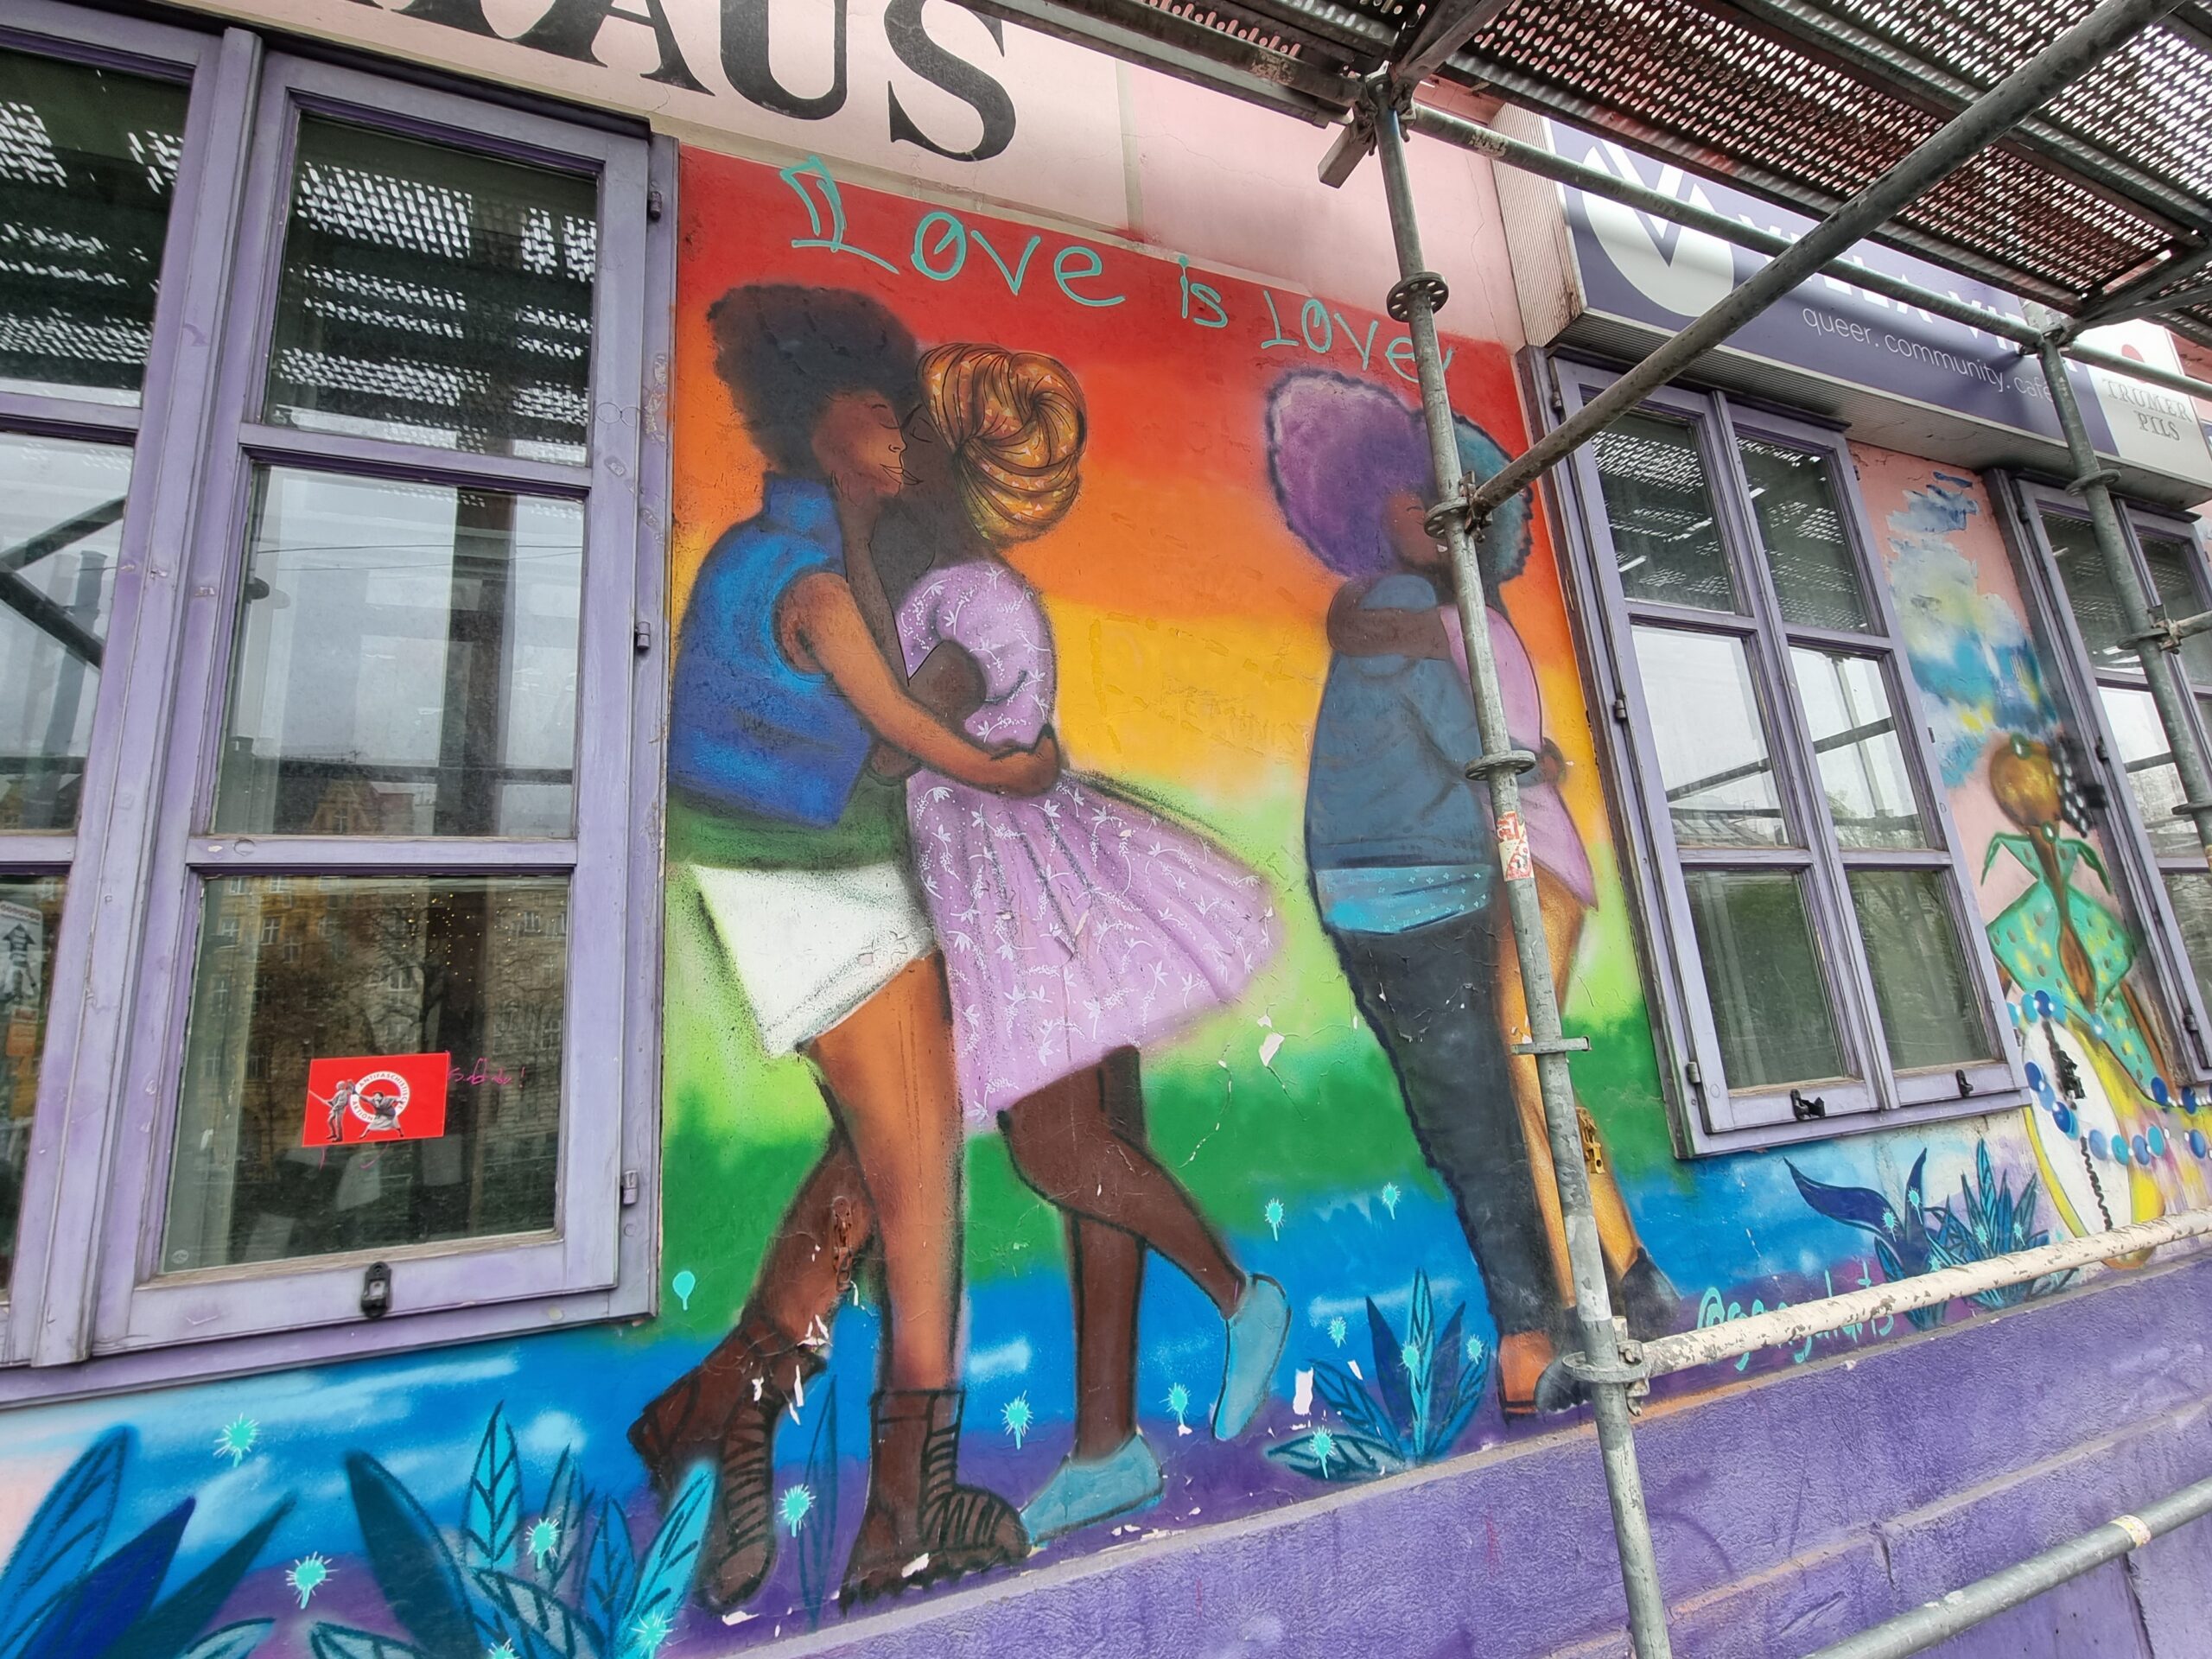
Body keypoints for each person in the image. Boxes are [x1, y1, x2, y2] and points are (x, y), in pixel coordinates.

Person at [633, 286, 1055, 1611]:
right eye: (886, 415)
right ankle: (905, 1513)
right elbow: (901, 740)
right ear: (822, 424)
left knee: (878, 1161)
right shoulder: (808, 574)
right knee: (921, 1185)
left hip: (814, 878)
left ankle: (720, 1408)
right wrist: (1015, 766)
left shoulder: (817, 553)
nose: (904, 440)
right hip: (811, 888)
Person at [890, 343, 1289, 1541]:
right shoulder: (967, 587)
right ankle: (1108, 1448)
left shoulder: (965, 599)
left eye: (914, 436)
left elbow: (902, 732)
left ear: (950, 463)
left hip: (1024, 900)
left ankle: (1238, 1295)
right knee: (1099, 1158)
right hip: (1050, 882)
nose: (898, 453)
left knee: (1060, 1149)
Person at [1266, 369, 1674, 1417]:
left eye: (1447, 502)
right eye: (1412, 496)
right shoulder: (1415, 612)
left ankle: (1596, 1297)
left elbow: (1489, 746)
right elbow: (1481, 746)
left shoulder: (1428, 618)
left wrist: (1529, 764)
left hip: (1433, 884)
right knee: (1506, 1100)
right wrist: (1534, 764)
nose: (1432, 514)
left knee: (1505, 1099)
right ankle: (1587, 1305)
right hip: (1441, 882)